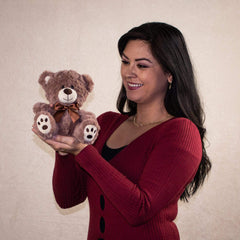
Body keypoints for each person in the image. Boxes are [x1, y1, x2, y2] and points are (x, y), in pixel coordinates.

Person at [33, 22, 211, 240]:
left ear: (169, 73)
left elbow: (140, 209)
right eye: (125, 62)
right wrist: (63, 151)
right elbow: (68, 198)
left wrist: (83, 153)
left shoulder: (181, 133)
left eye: (142, 65)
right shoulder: (106, 123)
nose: (129, 72)